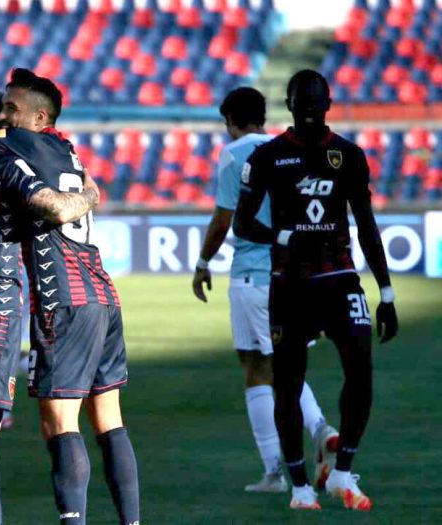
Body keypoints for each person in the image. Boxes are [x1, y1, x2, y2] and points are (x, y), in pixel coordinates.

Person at [0, 68, 140, 525]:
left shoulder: (18, 144)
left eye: (12, 109)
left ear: (39, 116)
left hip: (63, 296)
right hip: (104, 294)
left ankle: (74, 520)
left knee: (59, 421)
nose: (4, 118)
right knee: (108, 417)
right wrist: (90, 192)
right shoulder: (67, 150)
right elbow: (92, 189)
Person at [233, 70, 398, 511]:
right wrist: (284, 239)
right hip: (289, 284)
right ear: (289, 105)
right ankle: (301, 487)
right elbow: (242, 223)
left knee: (361, 371)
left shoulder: (348, 154)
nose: (310, 110)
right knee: (287, 386)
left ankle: (341, 472)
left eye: (316, 103)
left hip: (341, 279)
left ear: (327, 104)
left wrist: (386, 293)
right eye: (302, 103)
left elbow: (366, 224)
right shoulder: (268, 157)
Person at [191, 87, 338, 494]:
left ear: (231, 122)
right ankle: (303, 447)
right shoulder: (286, 150)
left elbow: (224, 219)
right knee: (284, 365)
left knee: (257, 368)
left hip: (253, 276)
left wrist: (203, 263)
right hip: (293, 276)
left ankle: (293, 452)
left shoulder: (236, 154)